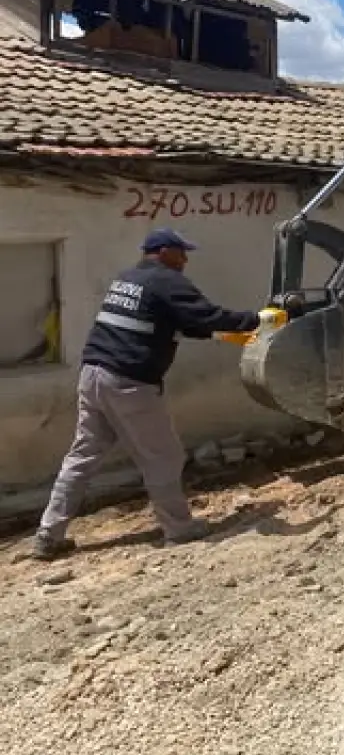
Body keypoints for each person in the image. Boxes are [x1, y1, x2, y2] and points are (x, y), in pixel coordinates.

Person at [31, 227, 268, 560]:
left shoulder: (127, 279)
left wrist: (221, 335)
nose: (185, 260)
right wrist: (258, 320)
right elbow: (206, 316)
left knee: (82, 457)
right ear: (164, 252)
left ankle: (48, 534)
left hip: (93, 376)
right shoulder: (167, 280)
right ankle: (179, 529)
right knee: (164, 456)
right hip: (128, 382)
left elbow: (177, 323)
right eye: (181, 253)